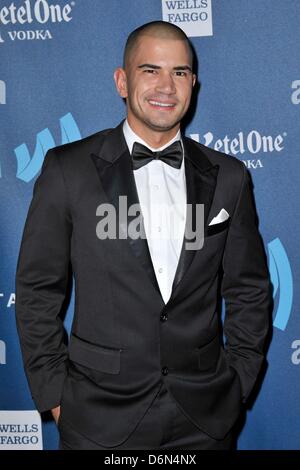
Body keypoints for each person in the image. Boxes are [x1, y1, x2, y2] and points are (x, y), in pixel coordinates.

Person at [15, 21, 271, 450]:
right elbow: (38, 290)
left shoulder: (228, 177)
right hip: (97, 419)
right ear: (122, 80)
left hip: (204, 420)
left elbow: (249, 290)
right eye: (150, 70)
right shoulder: (68, 170)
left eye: (180, 72)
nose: (166, 86)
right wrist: (57, 397)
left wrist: (237, 383)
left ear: (194, 83)